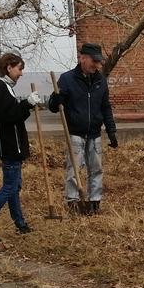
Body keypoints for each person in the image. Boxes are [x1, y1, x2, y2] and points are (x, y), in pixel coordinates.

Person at [0, 52, 42, 245]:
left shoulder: (3, 87)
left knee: (14, 187)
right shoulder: (0, 87)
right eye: (19, 68)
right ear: (9, 67)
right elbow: (10, 116)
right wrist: (27, 104)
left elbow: (11, 115)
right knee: (10, 187)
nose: (21, 73)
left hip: (11, 146)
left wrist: (25, 105)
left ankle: (20, 224)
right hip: (9, 146)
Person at [47, 42, 118, 214]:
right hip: (75, 133)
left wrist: (111, 131)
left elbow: (105, 107)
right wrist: (55, 100)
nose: (96, 65)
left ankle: (94, 202)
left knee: (96, 169)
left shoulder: (100, 80)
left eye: (98, 61)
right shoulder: (67, 79)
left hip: (94, 133)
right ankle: (73, 202)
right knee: (74, 169)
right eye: (94, 61)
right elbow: (53, 107)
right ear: (82, 58)